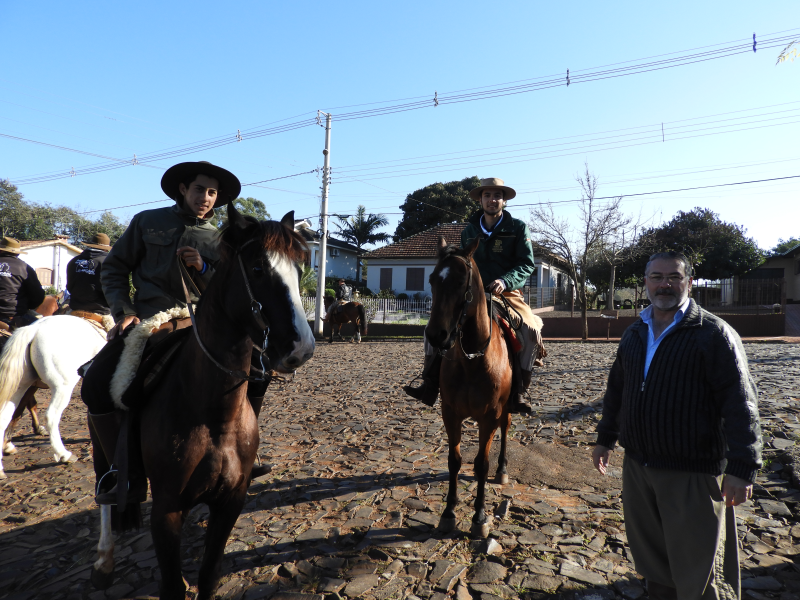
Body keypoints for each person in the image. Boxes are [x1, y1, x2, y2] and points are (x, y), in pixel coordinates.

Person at [82, 161, 270, 505]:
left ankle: (247, 453)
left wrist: (204, 267)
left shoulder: (222, 238)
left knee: (259, 370)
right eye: (199, 189)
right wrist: (124, 311)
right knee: (96, 382)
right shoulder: (147, 222)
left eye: (212, 192)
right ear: (183, 189)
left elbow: (234, 287)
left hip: (204, 321)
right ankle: (121, 475)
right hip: (150, 321)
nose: (206, 197)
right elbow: (114, 268)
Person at [592, 251, 762, 600]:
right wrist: (606, 437)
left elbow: (741, 401)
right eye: (656, 277)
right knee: (655, 565)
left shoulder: (713, 334)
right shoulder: (635, 332)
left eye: (674, 277)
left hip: (692, 473)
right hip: (639, 468)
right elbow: (617, 390)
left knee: (701, 575)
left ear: (689, 281)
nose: (664, 284)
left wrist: (742, 466)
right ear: (645, 282)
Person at [403, 177, 537, 414]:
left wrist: (505, 280)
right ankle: (429, 383)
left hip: (506, 292)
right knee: (434, 329)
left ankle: (518, 390)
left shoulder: (518, 228)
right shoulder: (469, 231)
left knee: (531, 332)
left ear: (504, 201)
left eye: (497, 195)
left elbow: (526, 265)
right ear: (480, 199)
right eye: (487, 195)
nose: (492, 200)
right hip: (472, 295)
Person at [0, 237, 46, 331]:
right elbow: (38, 296)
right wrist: (26, 307)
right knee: (44, 328)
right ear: (17, 253)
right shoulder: (25, 268)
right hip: (14, 315)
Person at [66, 232, 113, 318]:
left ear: (90, 245)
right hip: (101, 311)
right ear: (106, 249)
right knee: (120, 330)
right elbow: (111, 290)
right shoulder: (108, 262)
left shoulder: (73, 261)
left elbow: (69, 286)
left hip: (75, 308)